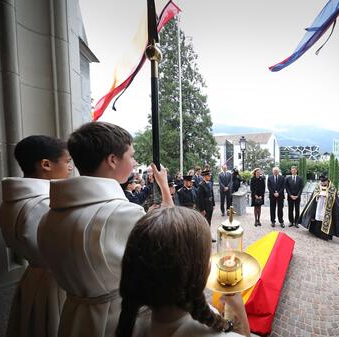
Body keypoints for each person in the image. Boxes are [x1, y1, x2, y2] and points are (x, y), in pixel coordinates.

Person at [38, 121, 172, 337]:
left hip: (73, 316)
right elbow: (169, 249)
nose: (135, 161)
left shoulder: (48, 216)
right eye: (131, 155)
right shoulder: (124, 214)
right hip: (118, 319)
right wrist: (164, 187)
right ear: (112, 159)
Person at [115, 207, 251, 337]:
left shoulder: (135, 324)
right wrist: (240, 312)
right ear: (194, 273)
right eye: (207, 257)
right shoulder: (200, 332)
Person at [0, 135, 73, 337]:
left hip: (33, 279)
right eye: (67, 161)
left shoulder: (10, 201)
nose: (70, 168)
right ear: (46, 164)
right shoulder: (45, 204)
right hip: (57, 285)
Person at [298, 175, 339, 240]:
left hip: (327, 206)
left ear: (327, 181)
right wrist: (318, 195)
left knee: (325, 218)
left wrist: (327, 196)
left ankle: (324, 235)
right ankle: (315, 232)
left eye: (324, 182)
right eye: (322, 182)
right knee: (317, 217)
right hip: (318, 204)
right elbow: (314, 194)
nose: (323, 183)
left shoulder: (332, 187)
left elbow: (333, 196)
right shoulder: (318, 186)